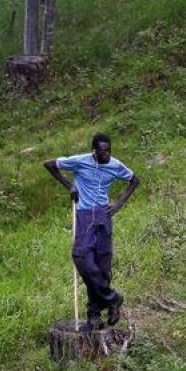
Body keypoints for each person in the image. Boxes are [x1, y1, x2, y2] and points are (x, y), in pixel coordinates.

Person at [44, 133, 140, 330]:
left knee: (102, 263)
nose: (106, 154)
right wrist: (69, 186)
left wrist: (119, 203)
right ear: (94, 151)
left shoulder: (115, 165)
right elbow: (50, 164)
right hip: (85, 214)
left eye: (109, 150)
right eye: (102, 151)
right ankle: (112, 299)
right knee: (81, 256)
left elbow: (134, 181)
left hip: (104, 214)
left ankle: (94, 315)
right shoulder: (80, 161)